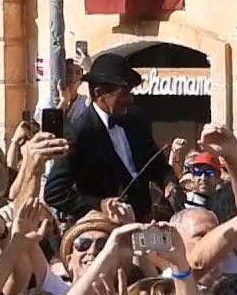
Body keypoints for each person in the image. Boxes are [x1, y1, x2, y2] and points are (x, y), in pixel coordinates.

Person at [45, 53, 167, 220]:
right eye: (123, 93)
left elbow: (157, 164)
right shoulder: (79, 132)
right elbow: (54, 192)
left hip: (141, 225)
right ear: (99, 93)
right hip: (103, 233)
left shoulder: (136, 120)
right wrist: (98, 205)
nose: (130, 99)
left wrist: (170, 183)